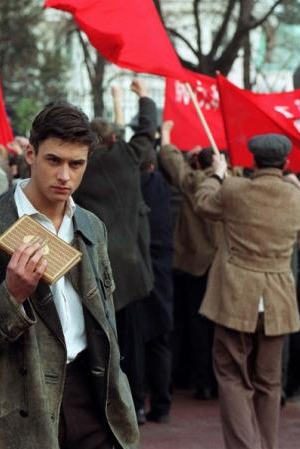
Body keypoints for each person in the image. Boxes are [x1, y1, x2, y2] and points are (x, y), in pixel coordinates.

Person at [0, 102, 138, 449]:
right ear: (30, 154)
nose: (65, 176)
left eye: (77, 164)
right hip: (18, 406)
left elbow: (107, 324)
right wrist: (10, 297)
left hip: (92, 399)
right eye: (54, 160)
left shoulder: (91, 227)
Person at [195, 135, 300, 449]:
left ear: (254, 162)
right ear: (285, 163)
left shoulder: (234, 190)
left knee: (232, 377)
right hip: (278, 300)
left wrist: (217, 173)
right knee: (270, 383)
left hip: (235, 294)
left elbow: (203, 202)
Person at [72, 78, 155, 424]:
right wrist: (144, 97)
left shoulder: (81, 171)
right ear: (113, 139)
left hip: (96, 266)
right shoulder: (128, 156)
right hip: (133, 265)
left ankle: (107, 402)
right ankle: (135, 402)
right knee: (134, 340)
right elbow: (147, 132)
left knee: (101, 340)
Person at [159, 122, 220, 400]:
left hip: (194, 264)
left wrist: (168, 133)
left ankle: (201, 381)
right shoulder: (232, 182)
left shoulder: (193, 182)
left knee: (196, 326)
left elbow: (171, 161)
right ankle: (219, 380)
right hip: (222, 265)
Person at [138, 147, 174, 423]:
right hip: (162, 270)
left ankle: (138, 402)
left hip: (137, 270)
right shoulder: (165, 188)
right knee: (159, 340)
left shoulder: (128, 187)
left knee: (134, 341)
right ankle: (162, 404)